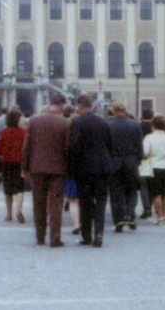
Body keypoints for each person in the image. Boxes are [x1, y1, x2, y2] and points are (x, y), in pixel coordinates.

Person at [21, 92, 71, 247]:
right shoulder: (65, 123)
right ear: (62, 106)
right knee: (56, 204)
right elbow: (68, 148)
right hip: (58, 168)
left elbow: (27, 147)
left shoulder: (34, 121)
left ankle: (40, 237)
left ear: (50, 104)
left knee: (39, 203)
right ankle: (55, 238)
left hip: (37, 167)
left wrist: (24, 167)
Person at [69, 94, 114, 247]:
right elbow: (109, 145)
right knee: (101, 201)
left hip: (84, 168)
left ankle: (86, 236)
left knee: (85, 202)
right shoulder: (103, 122)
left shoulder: (77, 122)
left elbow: (74, 147)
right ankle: (99, 233)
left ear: (79, 106)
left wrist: (72, 168)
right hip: (102, 167)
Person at [107, 100, 143, 232]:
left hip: (114, 162)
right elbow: (139, 146)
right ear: (125, 110)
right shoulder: (134, 125)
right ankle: (129, 213)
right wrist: (138, 160)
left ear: (113, 110)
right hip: (131, 161)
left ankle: (118, 222)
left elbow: (106, 146)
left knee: (116, 194)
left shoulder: (108, 125)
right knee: (132, 191)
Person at [0, 108, 28, 223]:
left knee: (8, 190)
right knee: (19, 188)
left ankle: (9, 214)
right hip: (20, 162)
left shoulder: (4, 132)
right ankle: (19, 210)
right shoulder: (24, 132)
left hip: (6, 162)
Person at [143, 116, 165, 224]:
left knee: (155, 193)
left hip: (154, 166)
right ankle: (164, 214)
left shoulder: (149, 138)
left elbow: (145, 152)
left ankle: (159, 216)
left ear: (153, 126)